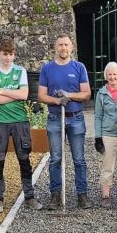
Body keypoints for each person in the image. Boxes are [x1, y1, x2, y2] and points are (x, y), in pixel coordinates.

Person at [0, 37, 42, 214]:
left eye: (11, 55)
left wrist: (1, 90)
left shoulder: (20, 71)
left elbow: (24, 94)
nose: (8, 58)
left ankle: (30, 196)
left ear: (14, 54)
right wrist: (14, 94)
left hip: (20, 121)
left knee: (24, 159)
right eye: (5, 54)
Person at [38, 34, 92, 210]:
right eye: (60, 45)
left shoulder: (79, 67)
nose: (63, 48)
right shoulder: (47, 69)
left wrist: (68, 95)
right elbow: (41, 95)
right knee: (55, 159)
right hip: (55, 118)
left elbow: (86, 93)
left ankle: (82, 196)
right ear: (56, 47)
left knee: (79, 159)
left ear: (71, 47)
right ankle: (55, 195)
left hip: (75, 118)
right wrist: (56, 100)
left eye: (66, 45)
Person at [94, 61, 117, 208]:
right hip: (107, 134)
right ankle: (105, 195)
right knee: (107, 166)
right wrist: (98, 137)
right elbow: (97, 116)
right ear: (106, 76)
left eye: (115, 74)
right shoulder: (101, 94)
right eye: (109, 74)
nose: (112, 77)